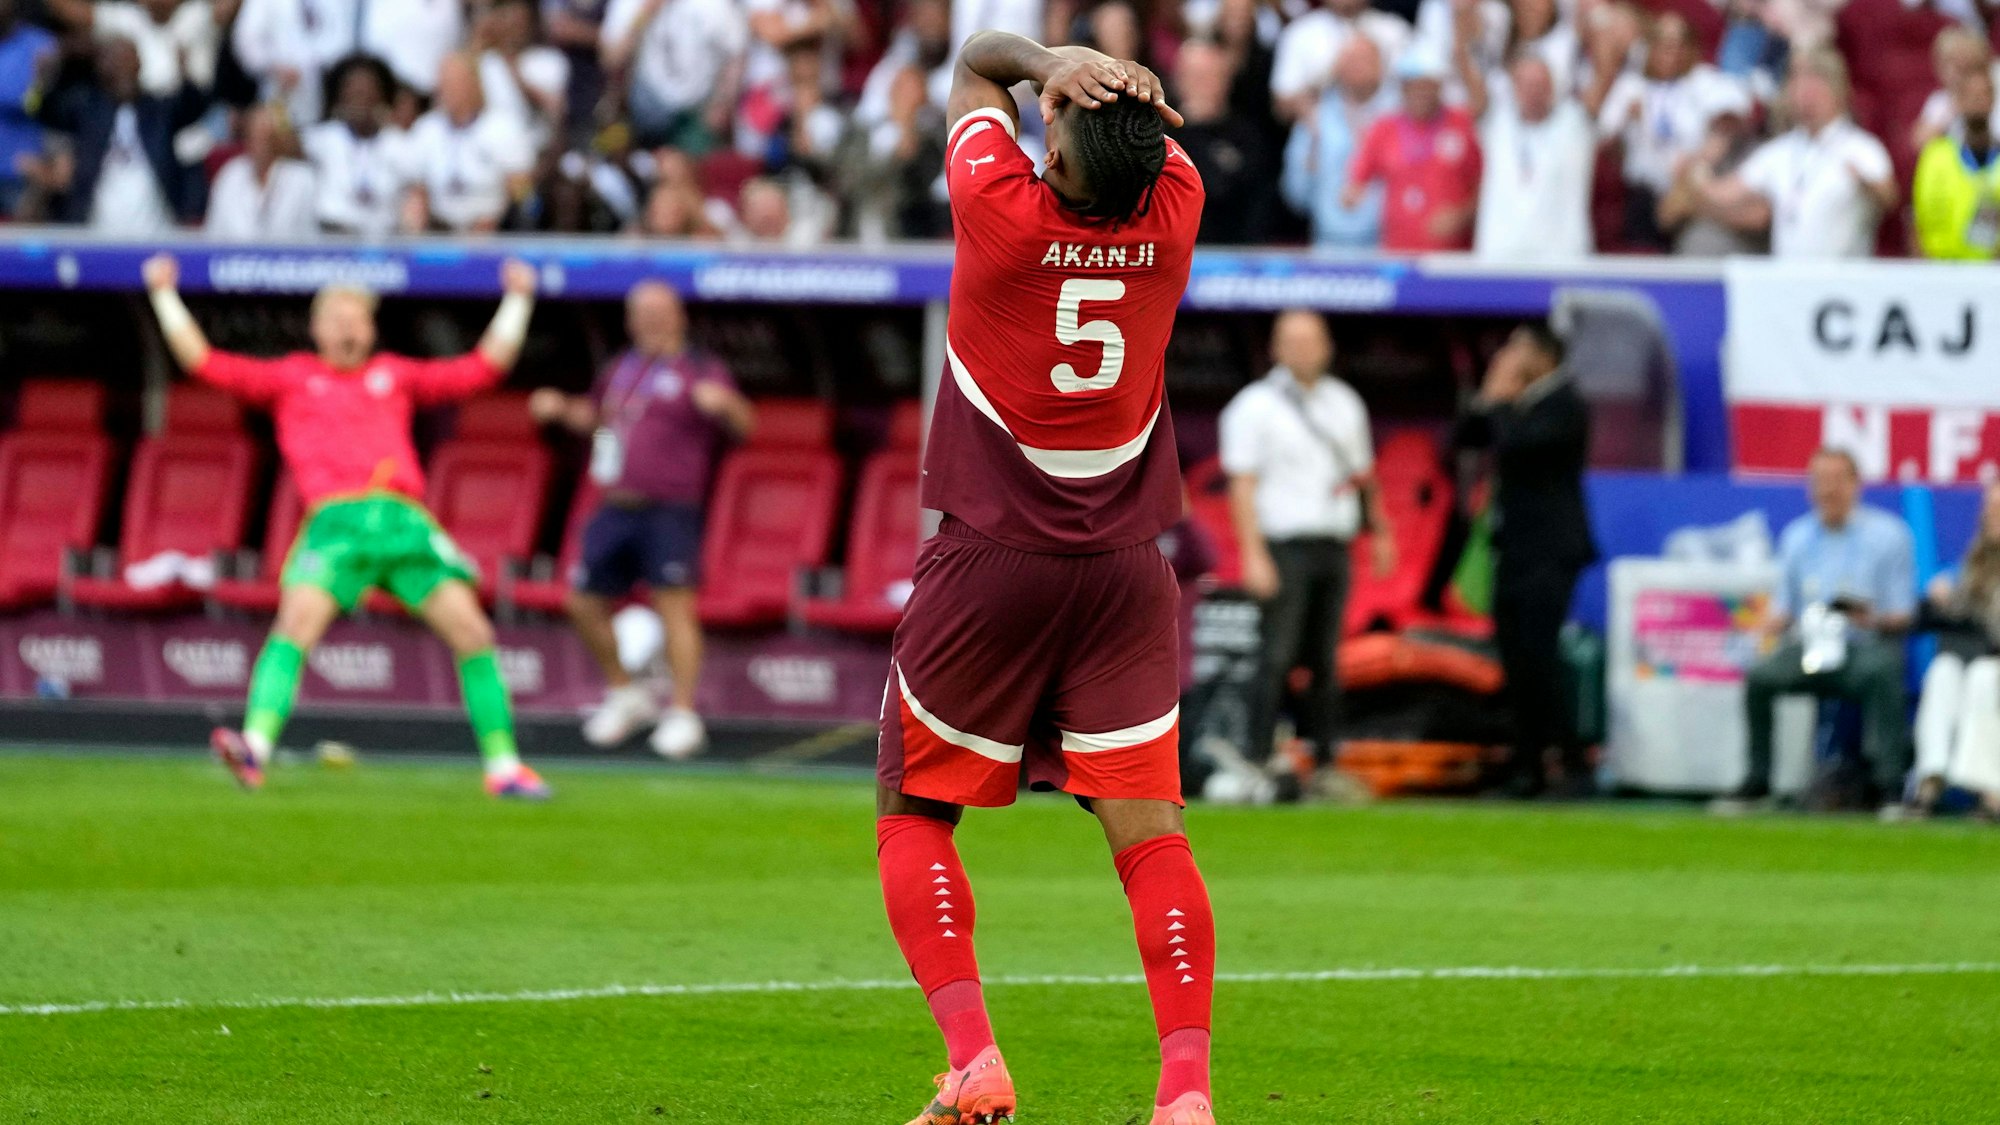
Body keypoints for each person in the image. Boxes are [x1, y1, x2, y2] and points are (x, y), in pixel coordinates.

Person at [879, 29, 1215, 1125]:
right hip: (1123, 571)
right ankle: (1184, 1096)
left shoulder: (1000, 211)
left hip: (990, 559)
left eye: (1054, 118)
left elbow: (974, 64)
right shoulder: (1175, 211)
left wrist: (1047, 55)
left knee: (912, 813)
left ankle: (974, 1061)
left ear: (1053, 157)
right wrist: (1103, 86)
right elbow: (1152, 149)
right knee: (1151, 836)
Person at [140, 253, 551, 801]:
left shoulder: (396, 375)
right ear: (315, 328)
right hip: (336, 526)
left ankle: (504, 769)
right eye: (336, 317)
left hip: (403, 523)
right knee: (294, 628)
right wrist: (164, 293)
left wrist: (519, 298)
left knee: (474, 634)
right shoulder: (291, 378)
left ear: (372, 328)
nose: (347, 327)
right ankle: (254, 750)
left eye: (357, 317)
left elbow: (483, 368)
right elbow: (204, 363)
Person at [528, 281, 753, 760]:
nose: (649, 321)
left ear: (678, 317)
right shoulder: (621, 368)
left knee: (675, 607)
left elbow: (745, 425)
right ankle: (625, 692)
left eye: (658, 312)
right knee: (581, 600)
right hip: (614, 504)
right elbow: (598, 417)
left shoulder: (699, 369)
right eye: (641, 313)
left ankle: (683, 713)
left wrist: (725, 405)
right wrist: (561, 409)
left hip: (671, 509)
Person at [1219, 310, 1393, 779]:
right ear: (1274, 348)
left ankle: (1325, 760)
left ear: (1327, 346)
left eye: (1310, 341)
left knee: (1325, 660)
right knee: (1275, 655)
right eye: (1291, 341)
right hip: (1283, 546)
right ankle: (1256, 756)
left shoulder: (1344, 403)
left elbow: (1363, 474)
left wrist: (1379, 530)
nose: (1302, 351)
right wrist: (1252, 555)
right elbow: (1242, 485)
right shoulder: (1254, 406)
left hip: (1333, 544)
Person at [1453, 321, 1596, 797]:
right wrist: (1488, 397)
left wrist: (1497, 399)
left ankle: (1572, 765)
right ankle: (1528, 767)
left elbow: (1516, 443)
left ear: (1544, 357)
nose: (1509, 356)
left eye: (1518, 348)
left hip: (1549, 553)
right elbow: (1462, 438)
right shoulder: (1517, 406)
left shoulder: (1565, 405)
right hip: (1511, 550)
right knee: (1516, 660)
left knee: (1539, 656)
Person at [1734, 449, 1916, 807]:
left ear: (1855, 486)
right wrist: (1761, 629)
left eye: (1837, 481)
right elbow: (1785, 608)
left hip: (1861, 648)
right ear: (1810, 488)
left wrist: (1872, 619)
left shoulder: (1890, 536)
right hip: (1808, 648)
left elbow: (1904, 614)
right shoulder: (1796, 537)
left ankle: (1889, 786)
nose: (1829, 491)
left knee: (1883, 670)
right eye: (1821, 482)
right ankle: (1757, 779)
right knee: (1759, 676)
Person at [1695, 49, 1896, 259]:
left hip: (1844, 283)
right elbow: (1722, 194)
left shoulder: (1862, 148)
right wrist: (1700, 167)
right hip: (1789, 282)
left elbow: (1889, 198)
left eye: (1816, 84)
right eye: (1799, 84)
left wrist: (1868, 186)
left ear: (1838, 90)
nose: (1806, 95)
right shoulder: (1779, 151)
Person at [1594, 13, 1752, 250]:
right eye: (1664, 44)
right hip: (1644, 193)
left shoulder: (1702, 81)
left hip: (1689, 192)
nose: (1672, 52)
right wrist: (1628, 121)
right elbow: (1605, 137)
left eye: (1679, 44)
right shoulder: (1632, 87)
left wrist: (1701, 154)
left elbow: (1736, 111)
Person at [33, 36, 209, 234]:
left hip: (157, 232)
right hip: (95, 230)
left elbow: (197, 107)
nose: (123, 69)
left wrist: (185, 74)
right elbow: (39, 110)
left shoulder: (159, 110)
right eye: (115, 61)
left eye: (129, 61)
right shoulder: (85, 109)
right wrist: (41, 84)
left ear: (140, 64)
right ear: (101, 67)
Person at [1904, 481, 2000, 820]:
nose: (1993, 516)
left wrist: (1965, 610)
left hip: (1991, 667)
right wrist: (1944, 600)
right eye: (1990, 507)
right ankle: (1930, 780)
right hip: (1978, 659)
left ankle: (1990, 791)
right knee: (1944, 669)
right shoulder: (1977, 562)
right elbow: (1955, 618)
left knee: (1983, 676)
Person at [1342, 43, 1481, 252]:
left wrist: (1462, 216)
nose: (1421, 92)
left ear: (1439, 86)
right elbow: (1358, 178)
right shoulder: (1384, 128)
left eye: (1428, 85)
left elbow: (1483, 183)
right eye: (1414, 85)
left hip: (1452, 258)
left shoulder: (1462, 124)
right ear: (1403, 87)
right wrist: (1352, 193)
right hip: (1397, 253)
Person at [1465, 50, 1594, 261]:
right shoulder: (1496, 122)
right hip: (1500, 258)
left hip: (1562, 260)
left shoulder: (1574, 124)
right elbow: (1470, 81)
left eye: (1540, 84)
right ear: (1513, 88)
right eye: (1526, 84)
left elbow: (1604, 79)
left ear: (1552, 87)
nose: (1533, 92)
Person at [401, 53, 536, 233]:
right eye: (443, 82)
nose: (446, 90)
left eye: (455, 82)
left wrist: (498, 221)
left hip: (493, 229)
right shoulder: (426, 129)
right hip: (439, 229)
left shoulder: (503, 128)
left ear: (474, 84)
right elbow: (417, 189)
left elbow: (522, 192)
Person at [1280, 35, 1392, 249]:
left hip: (1388, 244)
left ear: (1380, 66)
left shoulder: (1397, 115)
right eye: (1350, 60)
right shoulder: (1316, 117)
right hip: (1327, 243)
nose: (1357, 68)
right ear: (1338, 67)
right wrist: (1312, 149)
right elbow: (1295, 194)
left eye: (1365, 60)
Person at [600, 0, 748, 153]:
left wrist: (723, 103)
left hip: (695, 114)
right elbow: (611, 59)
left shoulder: (715, 5)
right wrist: (645, 13)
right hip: (643, 108)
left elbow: (736, 53)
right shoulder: (631, 4)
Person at [1173, 38, 1277, 243]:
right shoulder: (1156, 133)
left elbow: (1222, 191)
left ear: (1226, 81)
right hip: (1171, 255)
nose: (1200, 85)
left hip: (1231, 257)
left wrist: (1195, 128)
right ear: (1178, 80)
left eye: (1208, 77)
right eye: (1193, 76)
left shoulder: (1247, 137)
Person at [302, 54, 412, 238]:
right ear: (341, 96)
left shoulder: (399, 144)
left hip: (384, 242)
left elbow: (417, 190)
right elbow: (282, 141)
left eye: (366, 91)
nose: (360, 99)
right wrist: (283, 97)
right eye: (354, 91)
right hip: (332, 238)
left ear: (381, 96)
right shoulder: (323, 137)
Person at [1269, 0, 1411, 123]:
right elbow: (1282, 106)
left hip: (1389, 137)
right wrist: (1332, 73)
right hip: (1322, 139)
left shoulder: (1394, 30)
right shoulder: (1300, 33)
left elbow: (1418, 92)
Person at [1912, 68, 2000, 260]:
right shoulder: (1935, 156)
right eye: (1970, 95)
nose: (1977, 101)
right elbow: (1916, 219)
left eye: (1984, 94)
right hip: (1941, 271)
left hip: (1993, 272)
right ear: (1957, 102)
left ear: (1993, 99)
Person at [205, 104, 318, 241]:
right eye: (253, 134)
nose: (259, 143)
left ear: (280, 139)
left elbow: (309, 240)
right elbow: (213, 235)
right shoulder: (231, 174)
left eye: (266, 136)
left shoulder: (301, 178)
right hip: (234, 259)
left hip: (286, 260)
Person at [0, 0, 58, 217]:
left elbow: (31, 104)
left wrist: (37, 87)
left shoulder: (40, 45)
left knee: (25, 247)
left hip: (21, 171)